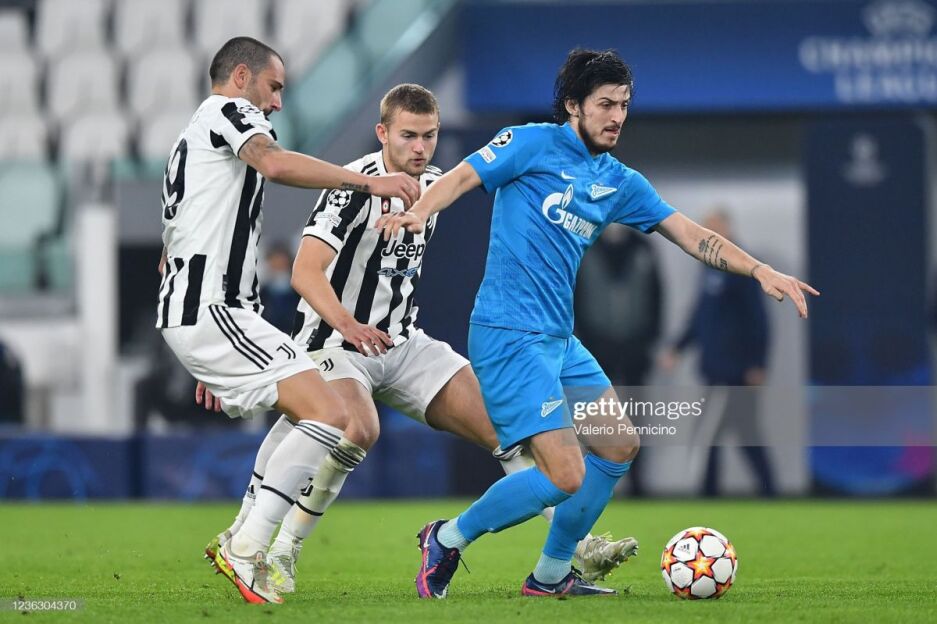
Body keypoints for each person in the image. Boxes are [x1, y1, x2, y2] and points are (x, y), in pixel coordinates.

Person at [378, 48, 818, 598]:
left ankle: (550, 575)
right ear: (573, 105)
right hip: (509, 335)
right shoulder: (531, 143)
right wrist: (420, 209)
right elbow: (464, 175)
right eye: (605, 104)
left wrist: (758, 269)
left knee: (618, 445)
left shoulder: (617, 181)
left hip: (559, 341)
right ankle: (446, 538)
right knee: (565, 475)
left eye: (624, 105)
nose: (617, 116)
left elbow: (688, 233)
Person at [209, 84, 636, 596]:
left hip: (404, 344)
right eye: (408, 135)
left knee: (506, 427)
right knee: (358, 428)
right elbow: (305, 272)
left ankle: (574, 544)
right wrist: (348, 324)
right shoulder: (353, 186)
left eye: (429, 136)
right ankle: (284, 547)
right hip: (334, 344)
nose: (420, 147)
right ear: (382, 132)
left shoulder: (433, 184)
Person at [155, 36, 420, 605]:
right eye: (273, 87)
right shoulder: (228, 112)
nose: (277, 102)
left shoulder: (190, 141)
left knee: (314, 409)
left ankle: (241, 533)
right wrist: (369, 182)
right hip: (213, 311)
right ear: (242, 76)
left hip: (213, 314)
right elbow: (274, 162)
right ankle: (248, 548)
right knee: (331, 412)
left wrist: (211, 355)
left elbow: (170, 246)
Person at [660, 209, 776, 497]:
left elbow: (758, 319)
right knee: (743, 433)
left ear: (726, 227)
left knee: (709, 433)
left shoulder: (742, 266)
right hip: (714, 368)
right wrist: (678, 347)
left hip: (734, 370)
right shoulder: (709, 266)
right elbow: (701, 316)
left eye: (712, 227)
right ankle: (766, 491)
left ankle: (710, 493)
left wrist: (757, 363)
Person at [575, 224, 663, 496]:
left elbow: (657, 298)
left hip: (635, 350)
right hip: (596, 349)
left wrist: (648, 342)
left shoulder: (644, 249)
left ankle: (637, 482)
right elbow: (575, 298)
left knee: (637, 418)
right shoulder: (586, 247)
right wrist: (584, 342)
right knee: (593, 419)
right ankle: (592, 481)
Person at [258, 243, 301, 334]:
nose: (278, 263)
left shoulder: (297, 289)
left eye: (281, 260)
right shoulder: (264, 290)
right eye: (274, 260)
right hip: (269, 332)